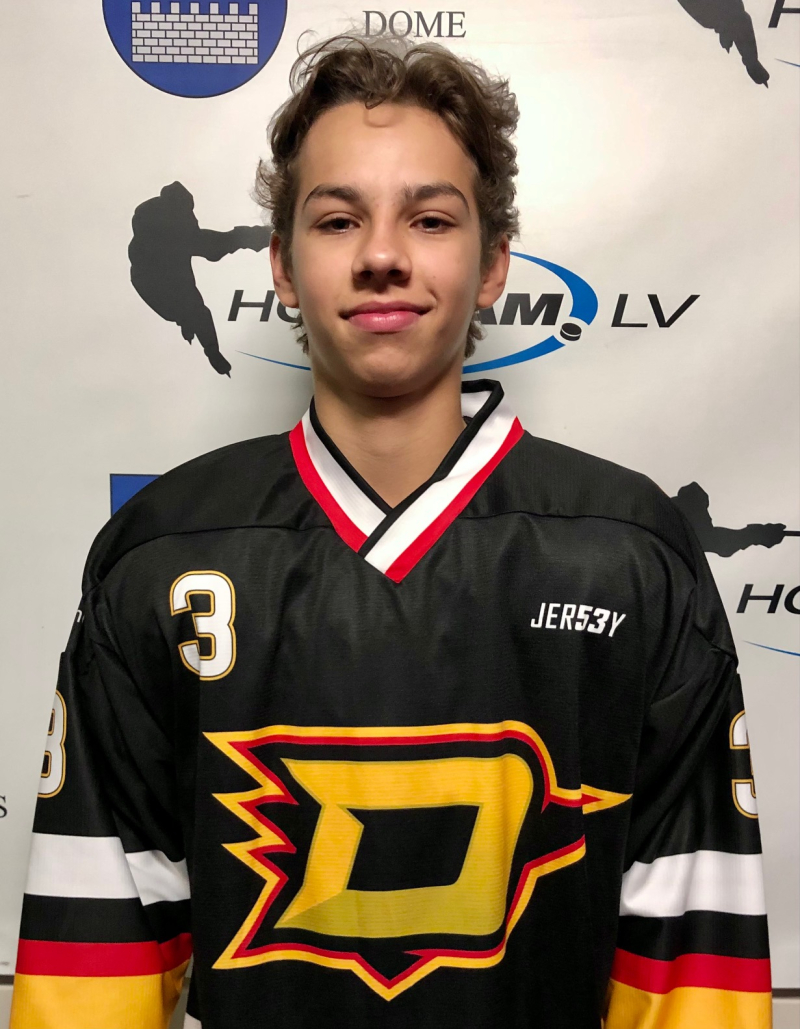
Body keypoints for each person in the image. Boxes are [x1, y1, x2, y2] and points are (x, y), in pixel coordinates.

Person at [10, 34, 771, 1029]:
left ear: (492, 265)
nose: (381, 255)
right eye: (338, 219)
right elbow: (97, 945)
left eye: (430, 218)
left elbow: (691, 961)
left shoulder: (628, 557)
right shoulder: (161, 555)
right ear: (282, 266)